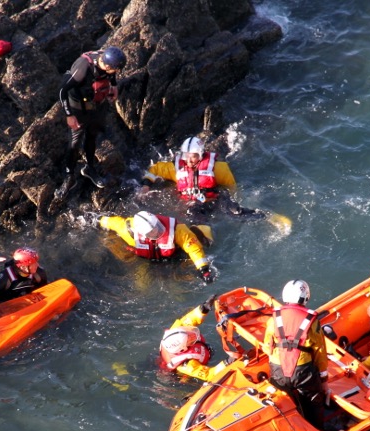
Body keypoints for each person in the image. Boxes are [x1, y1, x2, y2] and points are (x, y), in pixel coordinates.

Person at [55, 46, 127, 195]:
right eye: (115, 69)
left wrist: (113, 85)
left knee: (92, 135)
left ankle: (89, 168)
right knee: (74, 143)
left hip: (97, 105)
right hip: (78, 109)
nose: (117, 72)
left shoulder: (106, 60)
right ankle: (69, 177)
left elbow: (111, 74)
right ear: (107, 65)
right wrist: (69, 115)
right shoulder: (83, 68)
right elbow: (62, 90)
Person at [141, 136, 264, 219]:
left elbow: (231, 187)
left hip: (215, 200)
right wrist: (146, 185)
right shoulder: (175, 168)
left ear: (200, 155)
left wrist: (233, 199)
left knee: (235, 212)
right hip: (194, 204)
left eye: (193, 156)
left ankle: (266, 217)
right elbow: (154, 169)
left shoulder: (218, 168)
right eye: (186, 156)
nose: (189, 160)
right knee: (193, 214)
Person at [261, 280, 328, 426]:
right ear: (305, 297)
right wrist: (324, 379)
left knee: (284, 403)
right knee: (313, 402)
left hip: (278, 370)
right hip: (303, 371)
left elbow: (268, 346)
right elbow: (320, 351)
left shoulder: (274, 318)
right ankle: (317, 429)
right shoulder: (311, 320)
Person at [96, 211, 215, 283]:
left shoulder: (177, 230)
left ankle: (200, 229)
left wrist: (203, 269)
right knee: (142, 286)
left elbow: (194, 249)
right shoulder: (127, 231)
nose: (157, 232)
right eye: (152, 232)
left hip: (174, 255)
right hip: (146, 259)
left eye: (157, 227)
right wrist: (97, 220)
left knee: (181, 283)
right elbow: (112, 222)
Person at [158, 298, 228, 382]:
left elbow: (188, 320)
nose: (192, 334)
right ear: (183, 349)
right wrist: (227, 362)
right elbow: (209, 374)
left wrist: (203, 308)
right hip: (181, 374)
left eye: (187, 333)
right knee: (185, 379)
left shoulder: (176, 331)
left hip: (196, 353)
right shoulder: (186, 365)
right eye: (189, 339)